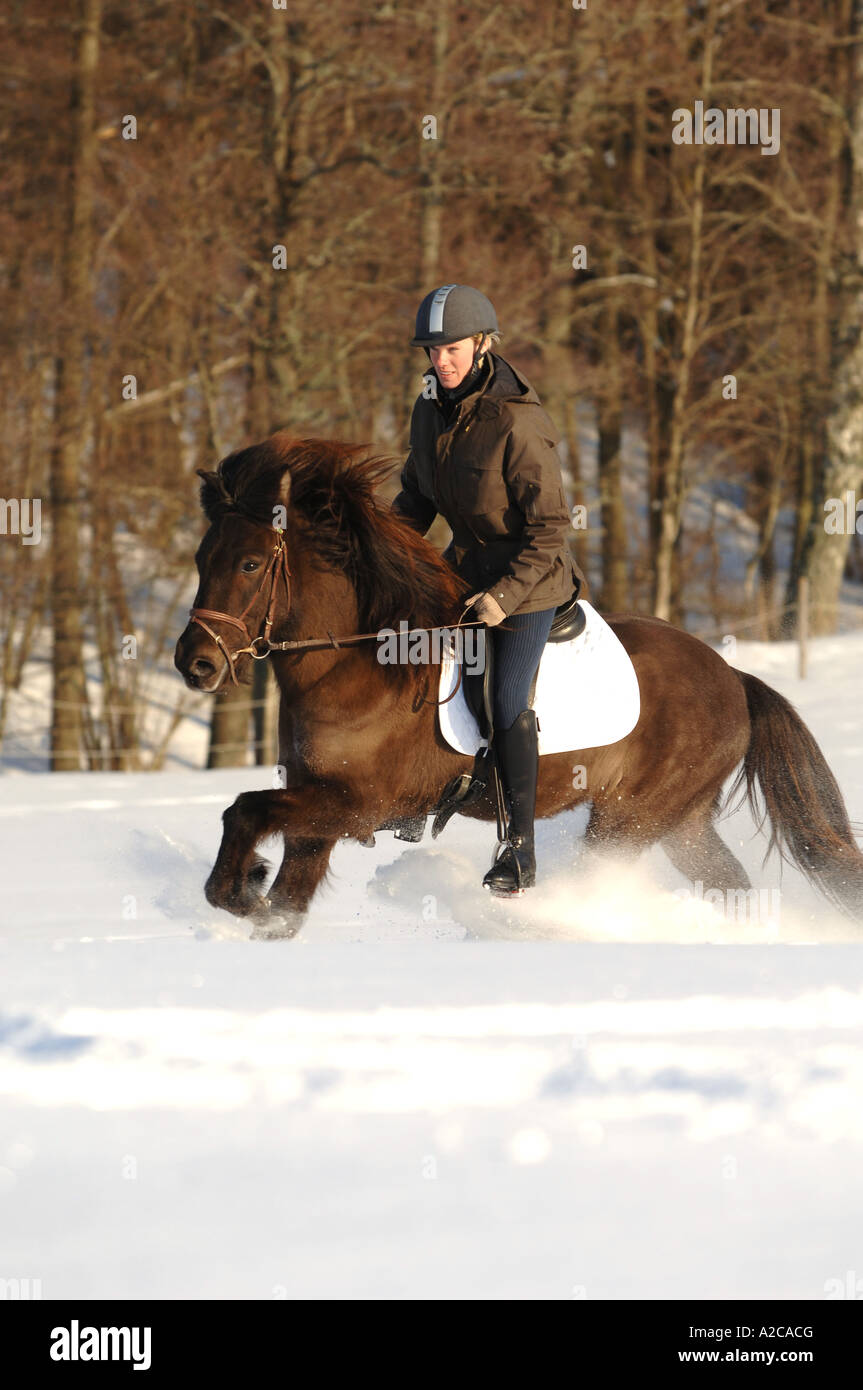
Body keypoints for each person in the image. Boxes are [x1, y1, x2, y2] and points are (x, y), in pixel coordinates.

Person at [391, 284, 588, 894]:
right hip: (466, 570)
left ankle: (519, 851)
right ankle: (416, 792)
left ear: (481, 345)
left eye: (451, 348)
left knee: (504, 704)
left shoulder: (518, 421)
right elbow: (418, 498)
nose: (440, 360)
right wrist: (380, 553)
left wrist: (503, 596)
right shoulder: (430, 409)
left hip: (530, 585)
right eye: (432, 350)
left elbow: (551, 527)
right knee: (407, 653)